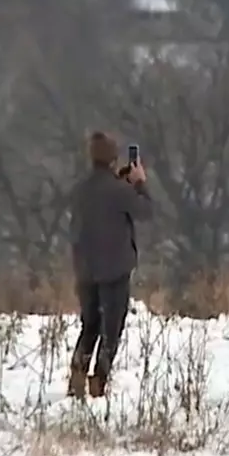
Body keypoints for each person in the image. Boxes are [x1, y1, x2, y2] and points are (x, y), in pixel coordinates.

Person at [67, 131, 153, 397]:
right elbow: (145, 211)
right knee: (111, 329)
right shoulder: (121, 191)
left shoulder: (80, 190)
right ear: (114, 158)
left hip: (85, 269)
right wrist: (139, 184)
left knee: (89, 325)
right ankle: (99, 381)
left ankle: (77, 377)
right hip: (114, 270)